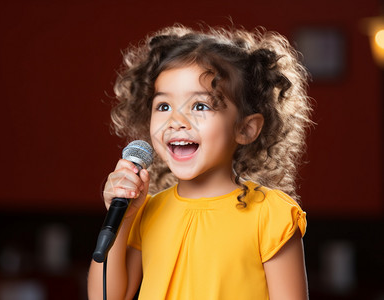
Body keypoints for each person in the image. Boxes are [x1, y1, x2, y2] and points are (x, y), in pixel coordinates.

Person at [88, 23, 312, 300]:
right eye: (164, 106)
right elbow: (106, 297)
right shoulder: (146, 212)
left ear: (245, 129)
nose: (176, 121)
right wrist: (121, 219)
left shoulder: (271, 215)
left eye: (200, 106)